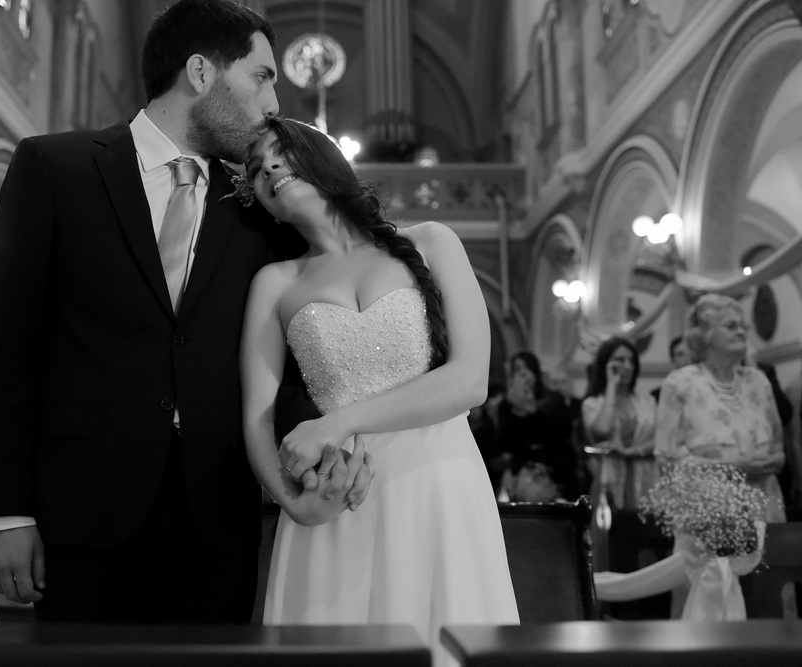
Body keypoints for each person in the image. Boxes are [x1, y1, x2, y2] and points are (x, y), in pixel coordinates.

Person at [0, 0, 371, 626]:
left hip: (215, 513)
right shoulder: (56, 168)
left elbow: (281, 355)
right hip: (82, 509)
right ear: (202, 72)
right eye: (262, 75)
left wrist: (324, 447)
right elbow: (7, 348)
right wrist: (4, 512)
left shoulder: (255, 208)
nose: (273, 103)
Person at [240, 117, 519, 663]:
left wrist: (340, 421)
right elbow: (256, 420)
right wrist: (298, 507)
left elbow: (469, 382)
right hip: (338, 497)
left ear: (324, 161)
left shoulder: (434, 243)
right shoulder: (276, 283)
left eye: (281, 153)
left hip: (440, 482)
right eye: (254, 169)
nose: (268, 169)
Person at [655, 294, 785, 522]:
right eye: (731, 326)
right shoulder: (680, 384)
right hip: (710, 517)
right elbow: (667, 461)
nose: (742, 332)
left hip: (765, 510)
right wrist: (736, 468)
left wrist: (774, 461)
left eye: (743, 325)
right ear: (704, 334)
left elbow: (778, 448)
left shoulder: (758, 381)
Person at [582, 336, 657, 510]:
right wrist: (611, 386)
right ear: (606, 364)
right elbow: (602, 429)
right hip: (610, 478)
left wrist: (632, 451)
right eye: (620, 360)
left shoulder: (648, 402)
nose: (628, 366)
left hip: (645, 478)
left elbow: (660, 439)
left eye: (631, 360)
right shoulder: (593, 404)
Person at [497, 351, 578, 501]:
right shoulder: (506, 405)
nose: (523, 374)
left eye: (526, 368)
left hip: (555, 464)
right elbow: (506, 443)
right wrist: (516, 411)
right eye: (517, 369)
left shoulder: (553, 398)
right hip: (523, 466)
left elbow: (562, 431)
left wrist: (532, 409)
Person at [650, 335, 691, 402]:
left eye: (689, 353)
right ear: (672, 361)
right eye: (680, 354)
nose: (686, 358)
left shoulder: (706, 389)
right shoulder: (657, 396)